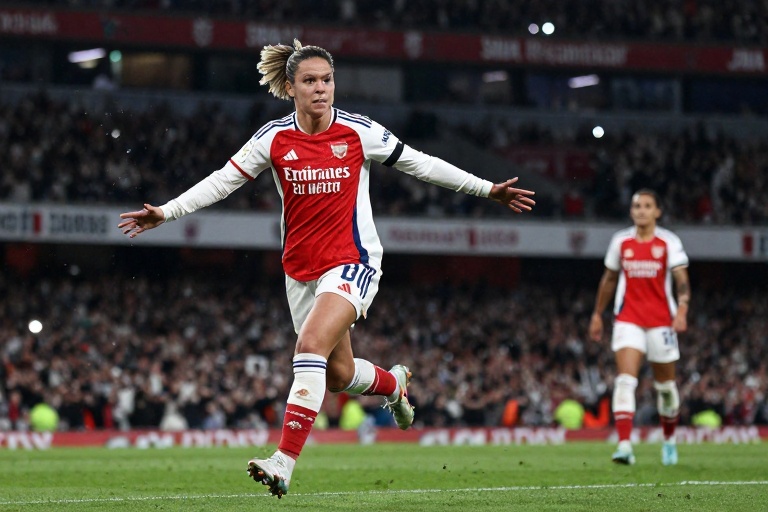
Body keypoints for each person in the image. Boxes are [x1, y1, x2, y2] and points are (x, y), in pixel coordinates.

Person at [118, 39, 536, 498]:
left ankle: (283, 462)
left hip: (353, 260)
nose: (321, 88)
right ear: (291, 88)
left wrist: (486, 189)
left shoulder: (358, 132)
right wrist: (167, 212)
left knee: (309, 345)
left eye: (327, 80)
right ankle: (393, 385)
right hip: (300, 271)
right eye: (310, 81)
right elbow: (222, 181)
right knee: (337, 375)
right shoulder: (273, 139)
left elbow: (422, 164)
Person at [588, 189, 690, 466]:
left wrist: (682, 309)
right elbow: (609, 279)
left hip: (661, 321)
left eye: (647, 206)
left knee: (666, 387)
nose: (641, 210)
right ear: (631, 211)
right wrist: (597, 314)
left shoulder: (668, 242)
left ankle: (669, 441)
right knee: (625, 381)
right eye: (636, 206)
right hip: (628, 319)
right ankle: (624, 446)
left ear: (657, 211)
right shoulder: (620, 241)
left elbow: (681, 279)